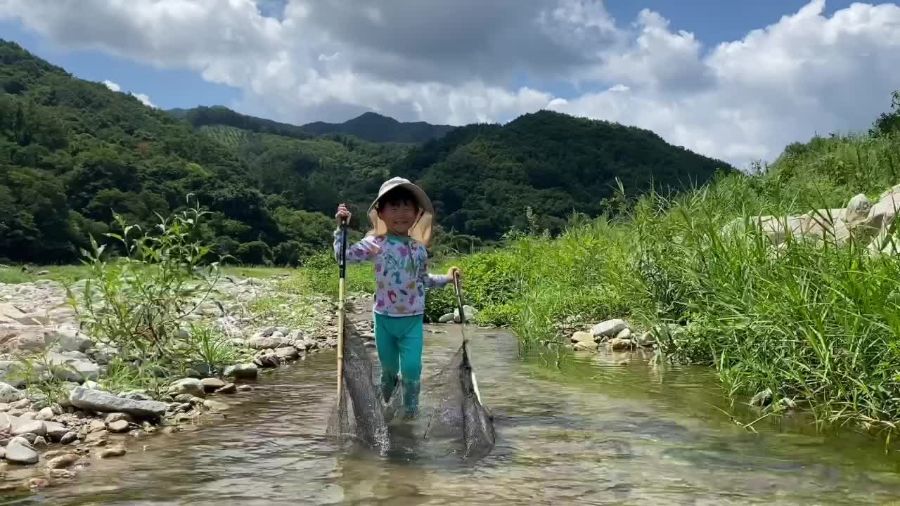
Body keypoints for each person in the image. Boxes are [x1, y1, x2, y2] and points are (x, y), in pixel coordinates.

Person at [334, 177, 460, 419]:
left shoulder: (419, 249)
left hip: (412, 320)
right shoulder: (375, 243)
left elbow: (424, 279)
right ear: (381, 213)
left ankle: (411, 415)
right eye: (394, 207)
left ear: (416, 214)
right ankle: (385, 413)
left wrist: (446, 278)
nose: (401, 213)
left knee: (412, 368)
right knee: (389, 371)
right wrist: (342, 229)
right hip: (384, 319)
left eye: (407, 207)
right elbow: (344, 256)